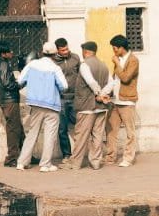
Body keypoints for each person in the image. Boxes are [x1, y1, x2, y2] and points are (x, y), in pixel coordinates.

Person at [14, 42, 67, 172]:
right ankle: (45, 164)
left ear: (42, 52)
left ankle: (22, 162)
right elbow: (64, 86)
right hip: (52, 105)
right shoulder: (55, 68)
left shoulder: (32, 65)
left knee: (32, 133)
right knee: (50, 135)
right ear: (55, 54)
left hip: (35, 104)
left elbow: (20, 80)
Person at [70, 41, 112, 170]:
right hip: (101, 108)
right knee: (98, 136)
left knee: (81, 136)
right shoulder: (104, 66)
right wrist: (104, 94)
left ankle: (76, 163)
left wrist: (98, 93)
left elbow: (91, 82)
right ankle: (95, 162)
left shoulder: (84, 65)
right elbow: (111, 83)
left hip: (86, 106)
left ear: (86, 52)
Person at [105, 34, 139, 167]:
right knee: (111, 130)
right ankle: (110, 157)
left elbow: (125, 78)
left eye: (115, 48)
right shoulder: (118, 59)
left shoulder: (133, 60)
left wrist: (117, 63)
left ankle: (128, 158)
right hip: (115, 100)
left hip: (127, 101)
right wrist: (107, 93)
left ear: (121, 48)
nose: (114, 51)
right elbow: (115, 80)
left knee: (130, 132)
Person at [0, 41, 24, 167]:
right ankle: (12, 158)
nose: (12, 53)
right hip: (9, 100)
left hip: (6, 100)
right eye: (9, 51)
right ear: (3, 53)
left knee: (18, 128)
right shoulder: (3, 64)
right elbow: (7, 83)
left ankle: (26, 154)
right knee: (13, 130)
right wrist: (19, 84)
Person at [52, 38, 81, 166]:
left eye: (67, 48)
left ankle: (81, 152)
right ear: (57, 50)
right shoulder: (53, 62)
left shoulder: (75, 58)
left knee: (80, 124)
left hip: (75, 97)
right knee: (62, 128)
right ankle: (67, 154)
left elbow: (81, 75)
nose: (66, 52)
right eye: (63, 50)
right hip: (61, 98)